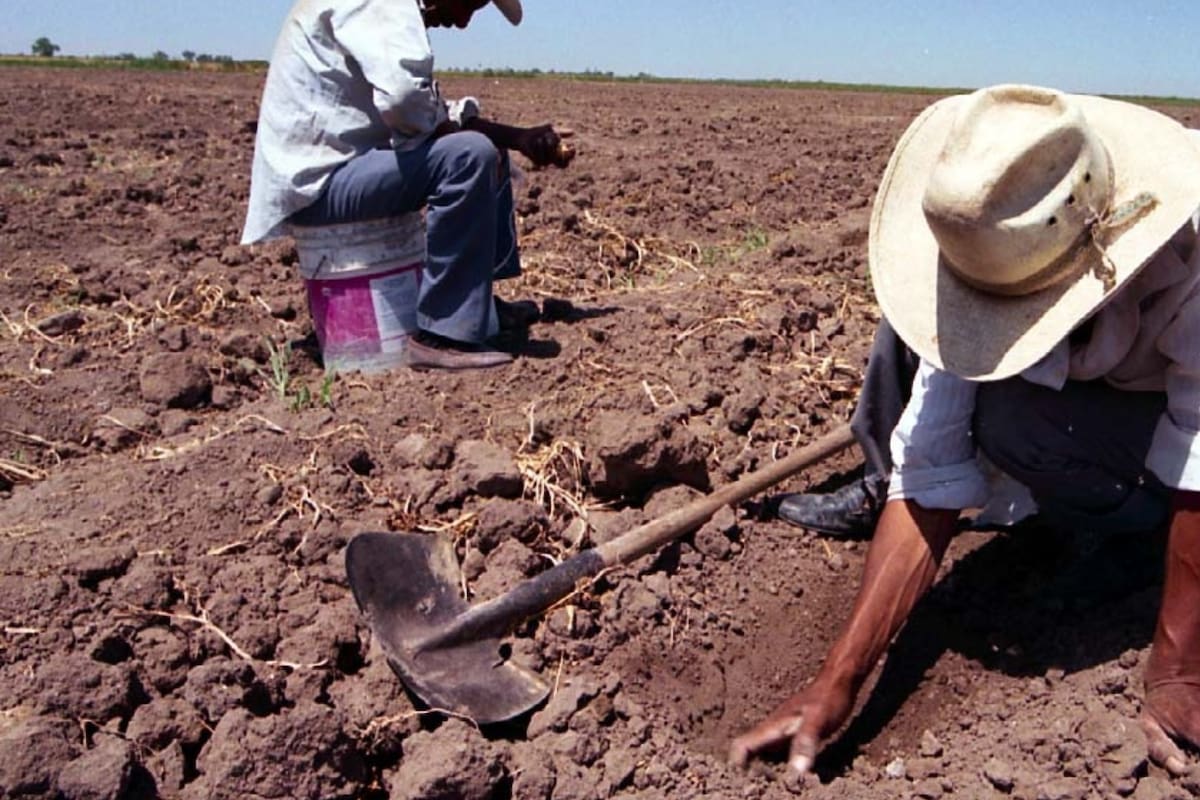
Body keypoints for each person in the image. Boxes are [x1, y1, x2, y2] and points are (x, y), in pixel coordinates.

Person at [732, 84, 1200, 778]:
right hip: (1119, 399)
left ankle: (1140, 543)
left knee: (1031, 425)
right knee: (1003, 411)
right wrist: (840, 678)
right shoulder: (998, 249)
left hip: (1177, 413)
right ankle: (1100, 517)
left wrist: (1177, 669)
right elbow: (930, 470)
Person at [241, 0, 572, 370]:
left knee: (479, 150)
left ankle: (479, 306)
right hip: (322, 184)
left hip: (344, 173)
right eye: (470, 5)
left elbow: (425, 110)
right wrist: (473, 140)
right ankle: (444, 336)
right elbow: (405, 100)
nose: (462, 22)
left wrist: (517, 138)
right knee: (470, 155)